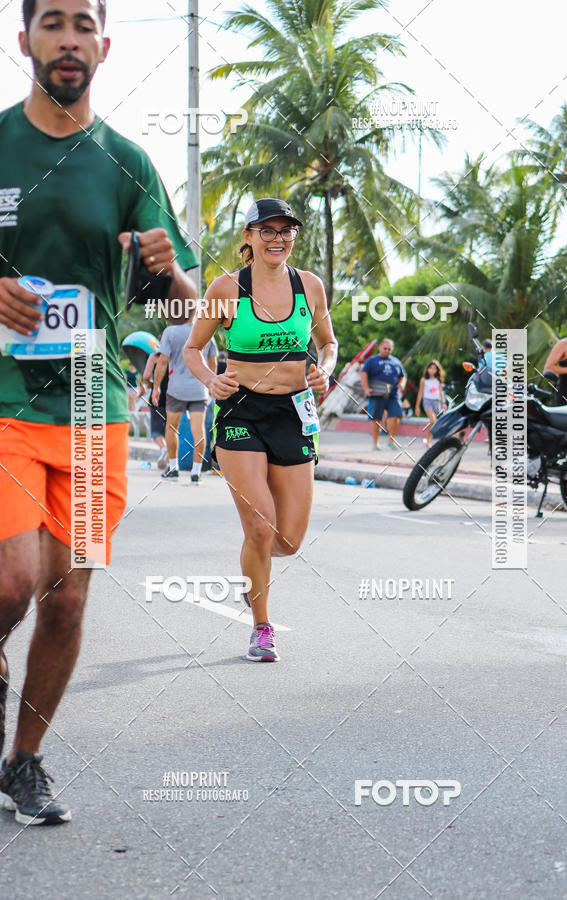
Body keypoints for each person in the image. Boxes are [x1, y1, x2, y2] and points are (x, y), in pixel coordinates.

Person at [0, 0, 197, 825]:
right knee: (14, 580)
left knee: (69, 599)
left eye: (84, 24)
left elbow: (190, 304)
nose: (70, 39)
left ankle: (24, 763)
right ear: (25, 41)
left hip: (92, 406)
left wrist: (166, 269)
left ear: (105, 46)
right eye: (54, 24)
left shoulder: (127, 164)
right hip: (4, 400)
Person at [183, 198, 338, 662]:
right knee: (259, 525)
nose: (277, 238)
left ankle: (254, 570)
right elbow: (194, 348)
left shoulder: (309, 285)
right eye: (266, 231)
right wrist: (212, 380)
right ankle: (262, 627)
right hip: (241, 412)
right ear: (248, 237)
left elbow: (328, 344)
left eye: (285, 230)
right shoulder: (226, 288)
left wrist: (324, 370)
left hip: (294, 413)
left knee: (286, 540)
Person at [152, 319, 217, 483]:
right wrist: (210, 383)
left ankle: (173, 469)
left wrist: (156, 387)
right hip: (199, 389)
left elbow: (162, 361)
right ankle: (196, 473)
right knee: (199, 430)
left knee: (171, 427)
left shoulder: (170, 332)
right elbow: (213, 361)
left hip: (176, 389)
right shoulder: (206, 329)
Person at [360, 338, 407, 450]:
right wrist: (366, 388)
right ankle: (375, 443)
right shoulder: (372, 360)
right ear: (380, 347)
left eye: (389, 349)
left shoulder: (396, 361)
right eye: (385, 348)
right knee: (376, 419)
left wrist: (402, 384)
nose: (387, 350)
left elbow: (403, 376)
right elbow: (364, 374)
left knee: (395, 416)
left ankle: (391, 441)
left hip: (393, 393)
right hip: (377, 393)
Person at [143, 350, 169, 469]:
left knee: (156, 430)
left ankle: (163, 449)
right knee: (170, 429)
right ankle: (169, 453)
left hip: (157, 396)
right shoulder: (174, 355)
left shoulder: (153, 357)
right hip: (172, 396)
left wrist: (151, 384)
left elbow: (146, 376)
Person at [415, 360, 447, 447]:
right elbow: (420, 393)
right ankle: (429, 442)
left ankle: (429, 440)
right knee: (432, 420)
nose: (432, 370)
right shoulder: (424, 380)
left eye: (434, 368)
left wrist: (443, 402)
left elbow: (441, 392)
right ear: (427, 369)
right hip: (427, 401)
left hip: (437, 402)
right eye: (430, 368)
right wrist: (417, 406)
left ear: (437, 370)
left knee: (435, 422)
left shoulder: (438, 380)